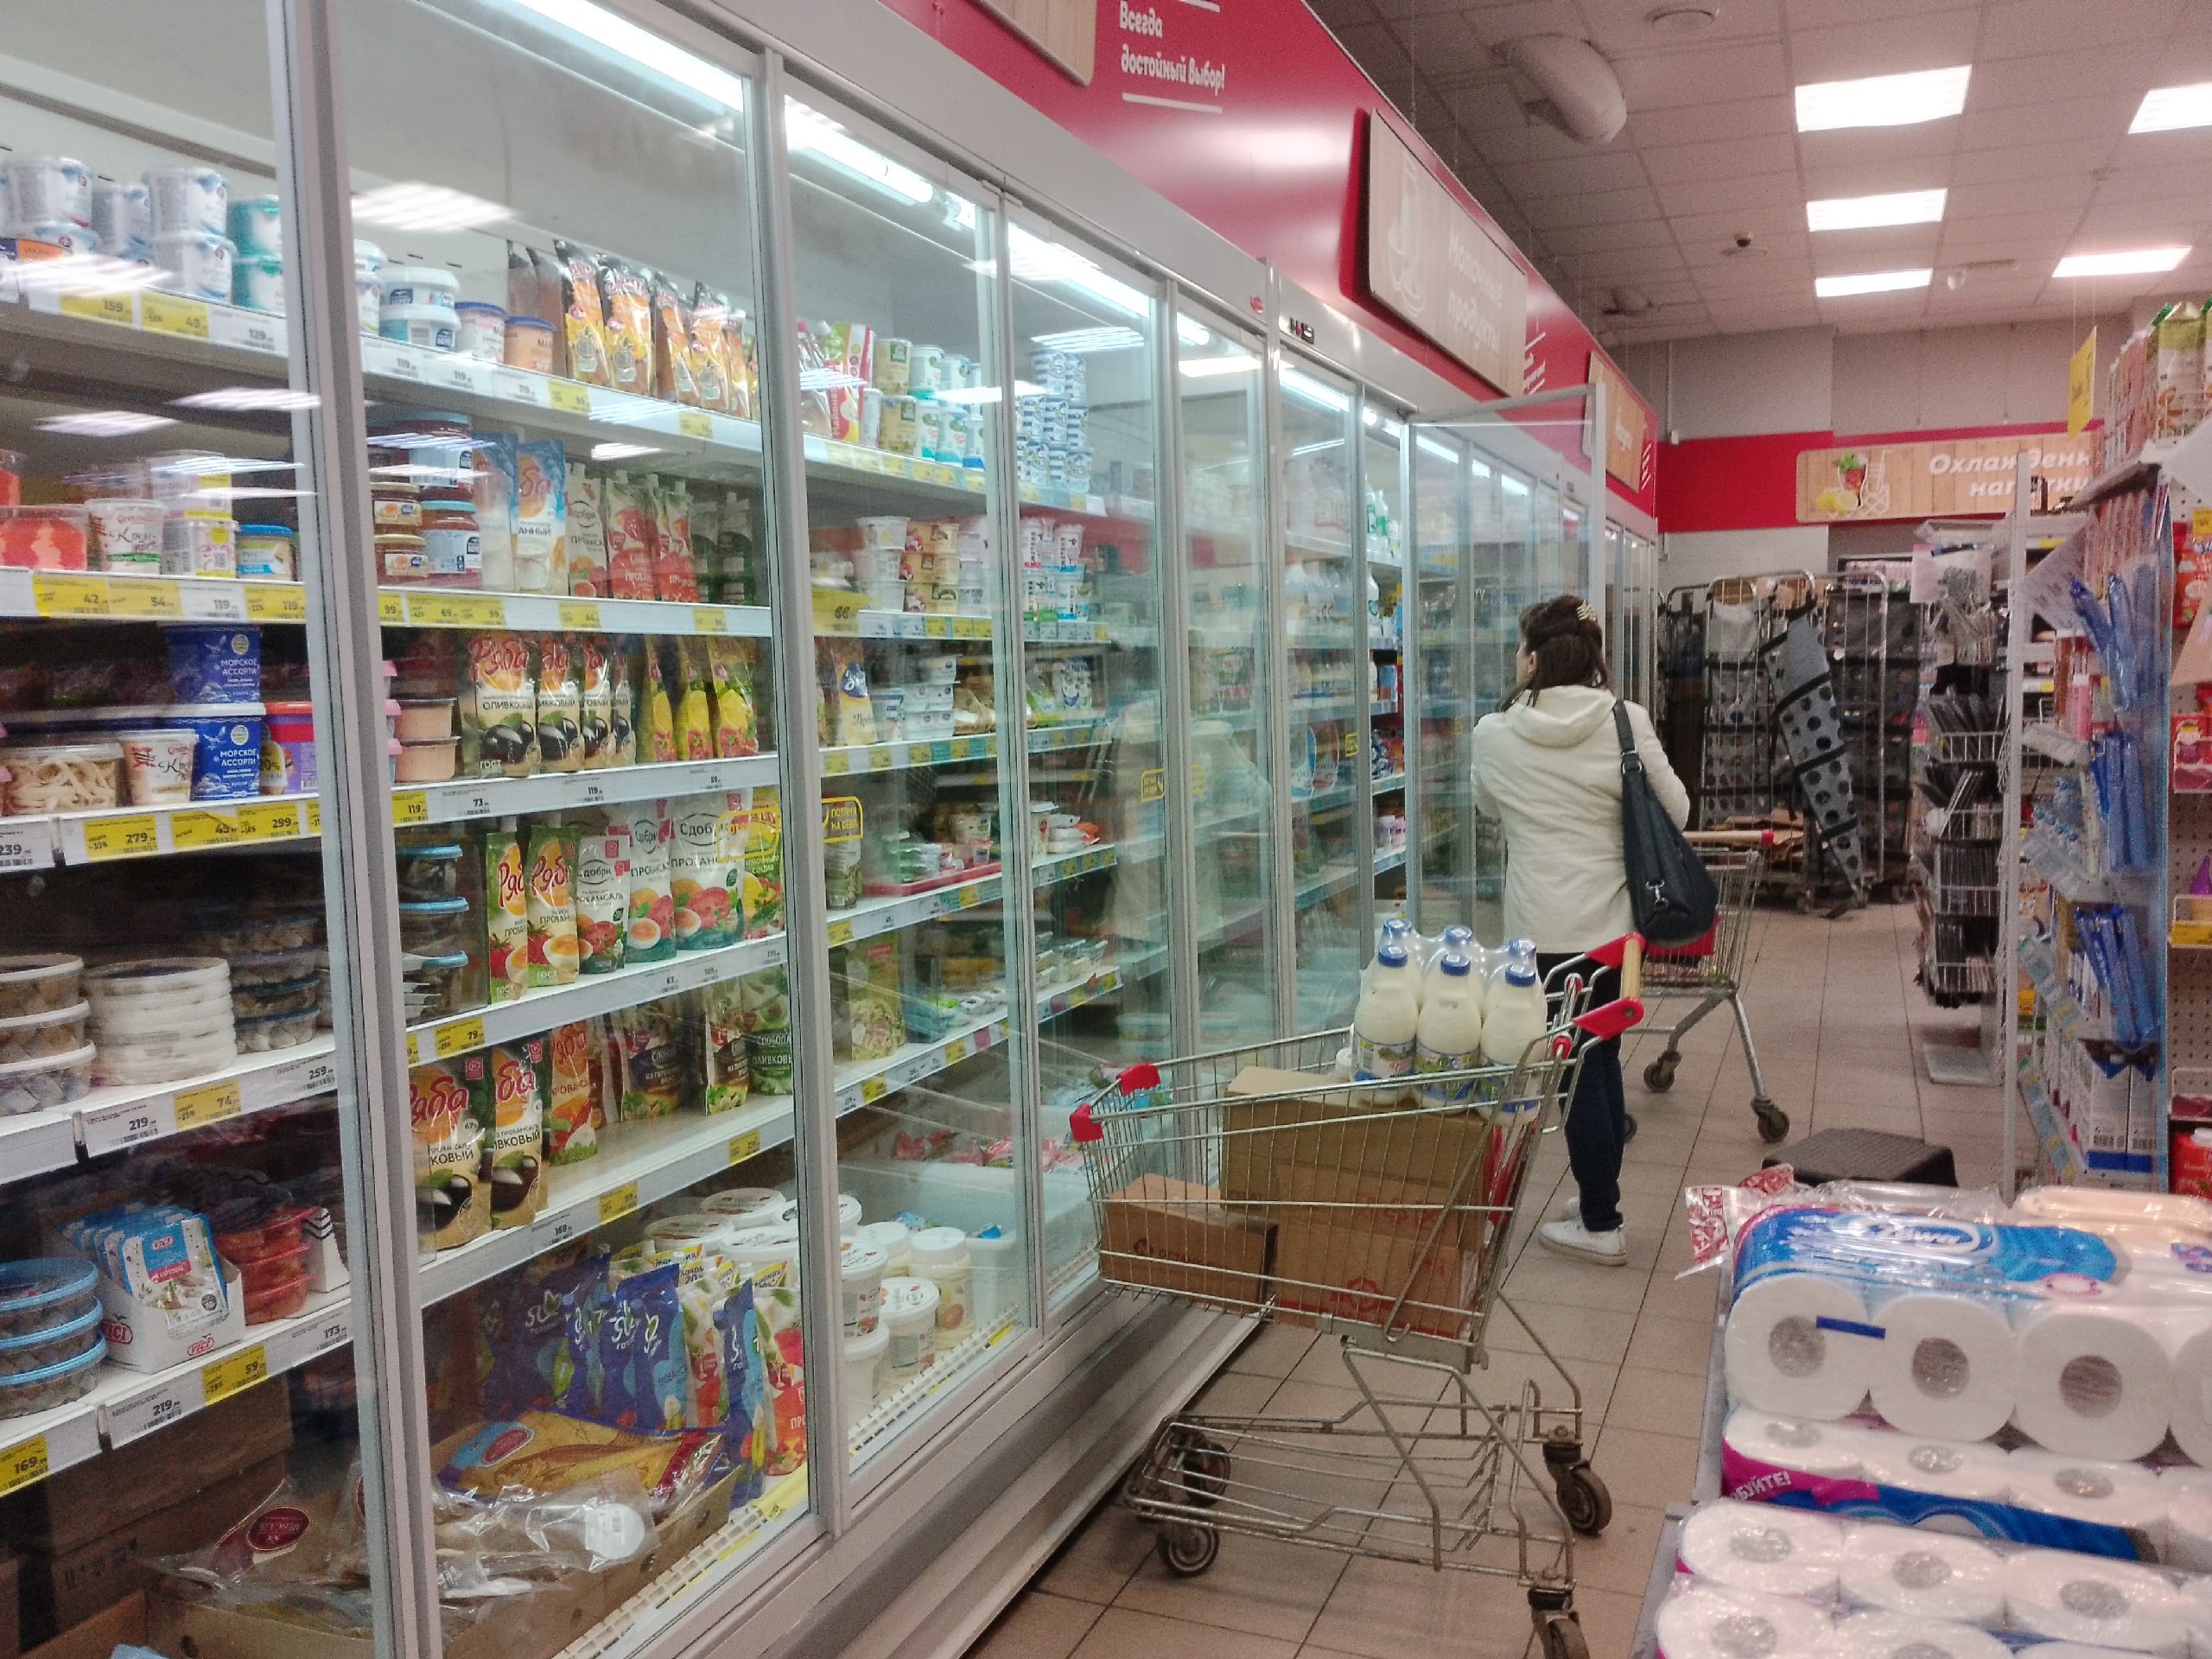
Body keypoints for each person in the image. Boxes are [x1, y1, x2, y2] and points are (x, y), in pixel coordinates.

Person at [1470, 594, 1688, 1266]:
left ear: (1533, 659)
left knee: (1578, 1071)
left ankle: (1601, 1221)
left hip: (1541, 931)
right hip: (1616, 930)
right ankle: (1600, 1197)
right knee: (1599, 1060)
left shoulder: (1494, 733)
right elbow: (1678, 811)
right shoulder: (1625, 721)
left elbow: (1487, 806)